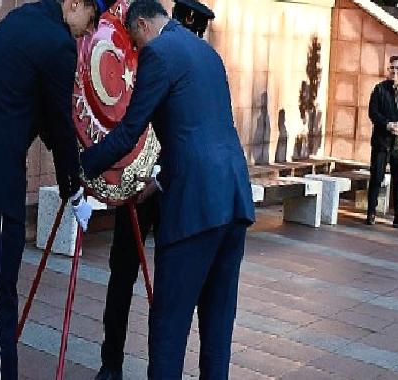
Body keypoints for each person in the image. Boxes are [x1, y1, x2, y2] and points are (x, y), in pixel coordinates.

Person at [81, 0, 255, 378]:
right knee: (218, 327)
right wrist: (158, 182)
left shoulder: (159, 53)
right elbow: (196, 133)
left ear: (142, 25)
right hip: (234, 198)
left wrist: (83, 165)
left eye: (135, 42)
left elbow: (129, 132)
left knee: (168, 328)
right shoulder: (208, 54)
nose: (137, 52)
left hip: (195, 208)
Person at [0, 0, 115, 377]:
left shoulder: (21, 19)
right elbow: (60, 120)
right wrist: (76, 188)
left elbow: (36, 111)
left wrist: (71, 173)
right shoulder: (57, 43)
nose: (88, 32)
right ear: (74, 4)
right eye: (90, 20)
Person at [94, 1, 215, 379]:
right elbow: (133, 121)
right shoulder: (148, 57)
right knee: (121, 275)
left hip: (170, 189)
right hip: (136, 185)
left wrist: (158, 176)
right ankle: (111, 363)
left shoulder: (195, 62)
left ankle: (161, 368)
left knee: (171, 283)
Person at [366, 55, 398, 231]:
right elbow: (373, 112)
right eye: (391, 68)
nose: (394, 71)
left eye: (397, 68)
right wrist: (387, 124)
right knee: (376, 178)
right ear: (388, 70)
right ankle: (371, 213)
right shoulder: (379, 89)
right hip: (381, 143)